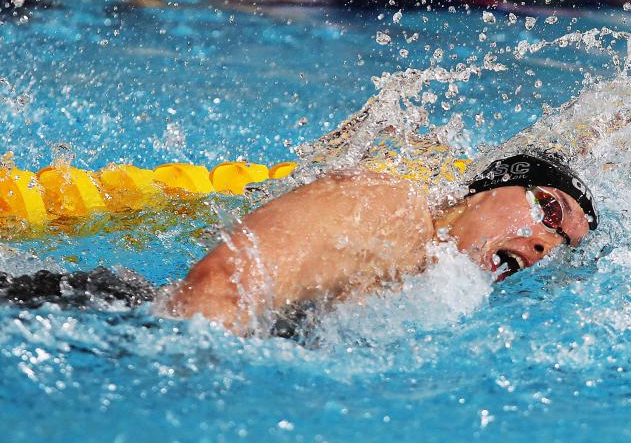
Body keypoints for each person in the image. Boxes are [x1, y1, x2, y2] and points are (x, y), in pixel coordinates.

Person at [0, 149, 598, 338]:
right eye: (548, 211)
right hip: (81, 316)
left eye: (559, 245)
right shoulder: (390, 209)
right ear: (484, 190)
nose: (544, 244)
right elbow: (220, 286)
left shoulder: (422, 277)